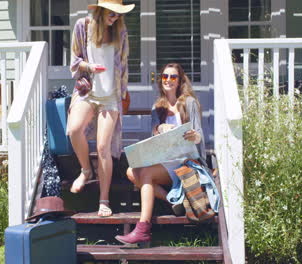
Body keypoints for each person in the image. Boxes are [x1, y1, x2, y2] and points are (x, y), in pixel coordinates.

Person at [115, 63, 209, 247]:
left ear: (180, 80)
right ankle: (173, 200)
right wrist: (159, 129)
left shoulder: (189, 102)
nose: (168, 80)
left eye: (173, 77)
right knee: (130, 172)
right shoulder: (157, 107)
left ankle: (142, 230)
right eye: (165, 76)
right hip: (166, 160)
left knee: (145, 175)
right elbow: (154, 140)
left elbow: (199, 135)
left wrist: (194, 136)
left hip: (186, 162)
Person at [67, 0, 134, 217]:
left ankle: (104, 200)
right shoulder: (82, 26)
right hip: (88, 91)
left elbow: (123, 66)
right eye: (111, 13)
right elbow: (75, 60)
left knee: (104, 148)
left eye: (118, 15)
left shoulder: (120, 32)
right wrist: (89, 67)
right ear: (101, 10)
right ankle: (86, 170)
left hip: (111, 96)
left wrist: (123, 94)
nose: (114, 18)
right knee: (74, 129)